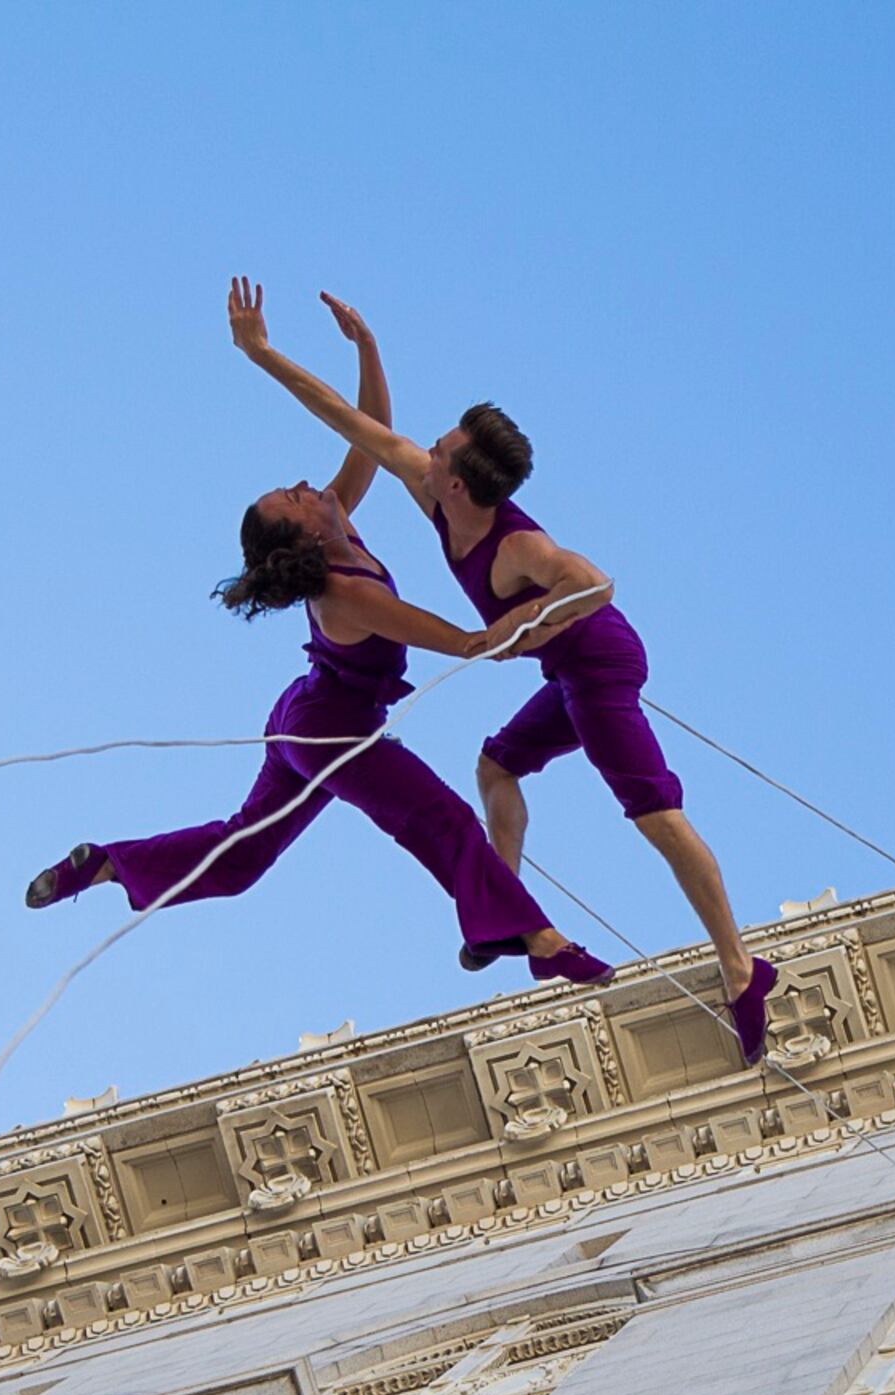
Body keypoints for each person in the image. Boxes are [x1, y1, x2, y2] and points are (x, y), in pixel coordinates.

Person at [227, 291, 776, 1062]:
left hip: (599, 666)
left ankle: (740, 969)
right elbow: (349, 422)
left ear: (456, 483)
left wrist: (518, 630)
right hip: (561, 668)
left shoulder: (520, 548)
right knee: (496, 766)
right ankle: (505, 909)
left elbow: (595, 585)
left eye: (442, 449)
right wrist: (276, 352)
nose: (429, 448)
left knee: (655, 816)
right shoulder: (433, 490)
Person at [27, 286, 609, 988]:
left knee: (241, 858)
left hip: (300, 717)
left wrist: (365, 348)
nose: (306, 484)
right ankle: (543, 942)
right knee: (444, 822)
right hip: (329, 732)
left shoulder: (342, 523)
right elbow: (466, 644)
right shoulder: (347, 592)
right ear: (303, 531)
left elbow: (366, 429)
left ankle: (109, 863)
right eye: (293, 496)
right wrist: (542, 613)